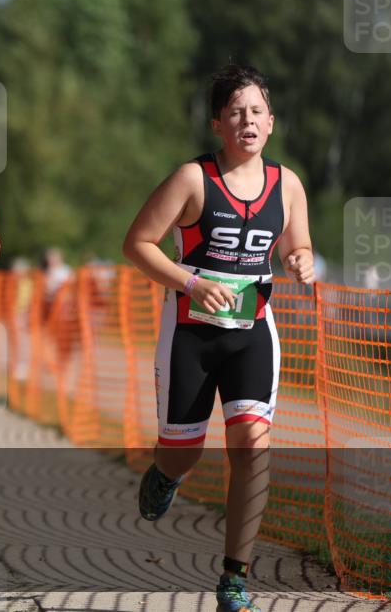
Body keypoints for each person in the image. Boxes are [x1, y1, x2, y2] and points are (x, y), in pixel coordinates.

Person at [122, 64, 314, 612]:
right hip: (190, 334)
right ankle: (166, 474)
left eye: (256, 112)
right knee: (183, 455)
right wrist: (191, 282)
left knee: (252, 447)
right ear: (217, 124)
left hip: (253, 333)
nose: (247, 121)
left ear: (271, 123)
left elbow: (297, 246)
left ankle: (234, 579)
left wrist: (301, 260)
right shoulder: (191, 179)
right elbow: (137, 244)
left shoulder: (289, 184)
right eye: (235, 112)